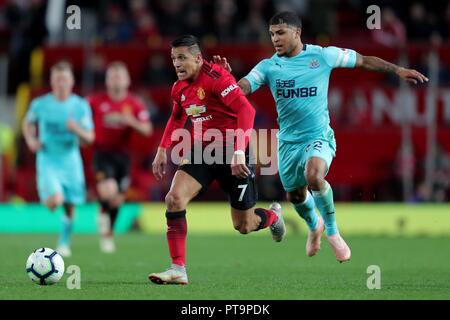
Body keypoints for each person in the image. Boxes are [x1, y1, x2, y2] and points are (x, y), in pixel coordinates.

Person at [213, 11, 428, 262]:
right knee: (295, 195)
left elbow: (363, 60)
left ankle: (333, 233)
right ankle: (314, 226)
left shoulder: (323, 55)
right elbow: (243, 88)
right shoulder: (268, 66)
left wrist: (398, 69)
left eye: (281, 33)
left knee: (314, 175)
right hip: (288, 144)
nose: (275, 39)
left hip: (318, 136)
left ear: (297, 32)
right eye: (272, 34)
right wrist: (225, 81)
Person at [149, 35, 286, 285]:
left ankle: (274, 216)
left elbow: (247, 110)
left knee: (244, 226)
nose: (176, 64)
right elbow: (177, 117)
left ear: (198, 58)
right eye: (173, 59)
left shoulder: (216, 78)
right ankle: (178, 268)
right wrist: (162, 149)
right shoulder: (178, 88)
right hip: (202, 150)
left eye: (182, 58)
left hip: (234, 152)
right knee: (174, 198)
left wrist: (238, 151)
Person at [22, 61, 95, 257]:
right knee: (56, 200)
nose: (61, 83)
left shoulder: (80, 106)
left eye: (64, 79)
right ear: (52, 81)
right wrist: (31, 140)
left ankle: (64, 242)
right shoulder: (40, 104)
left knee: (70, 205)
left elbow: (89, 138)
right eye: (57, 79)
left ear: (71, 81)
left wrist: (76, 129)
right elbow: (27, 123)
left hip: (71, 161)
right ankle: (49, 197)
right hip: (48, 159)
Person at [88, 62, 153, 253]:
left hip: (123, 157)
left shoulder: (134, 104)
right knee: (109, 191)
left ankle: (107, 233)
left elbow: (147, 130)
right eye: (112, 76)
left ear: (127, 80)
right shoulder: (95, 101)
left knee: (117, 200)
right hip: (101, 154)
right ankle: (102, 214)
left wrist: (129, 121)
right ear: (107, 80)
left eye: (119, 76)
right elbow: (79, 113)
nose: (116, 79)